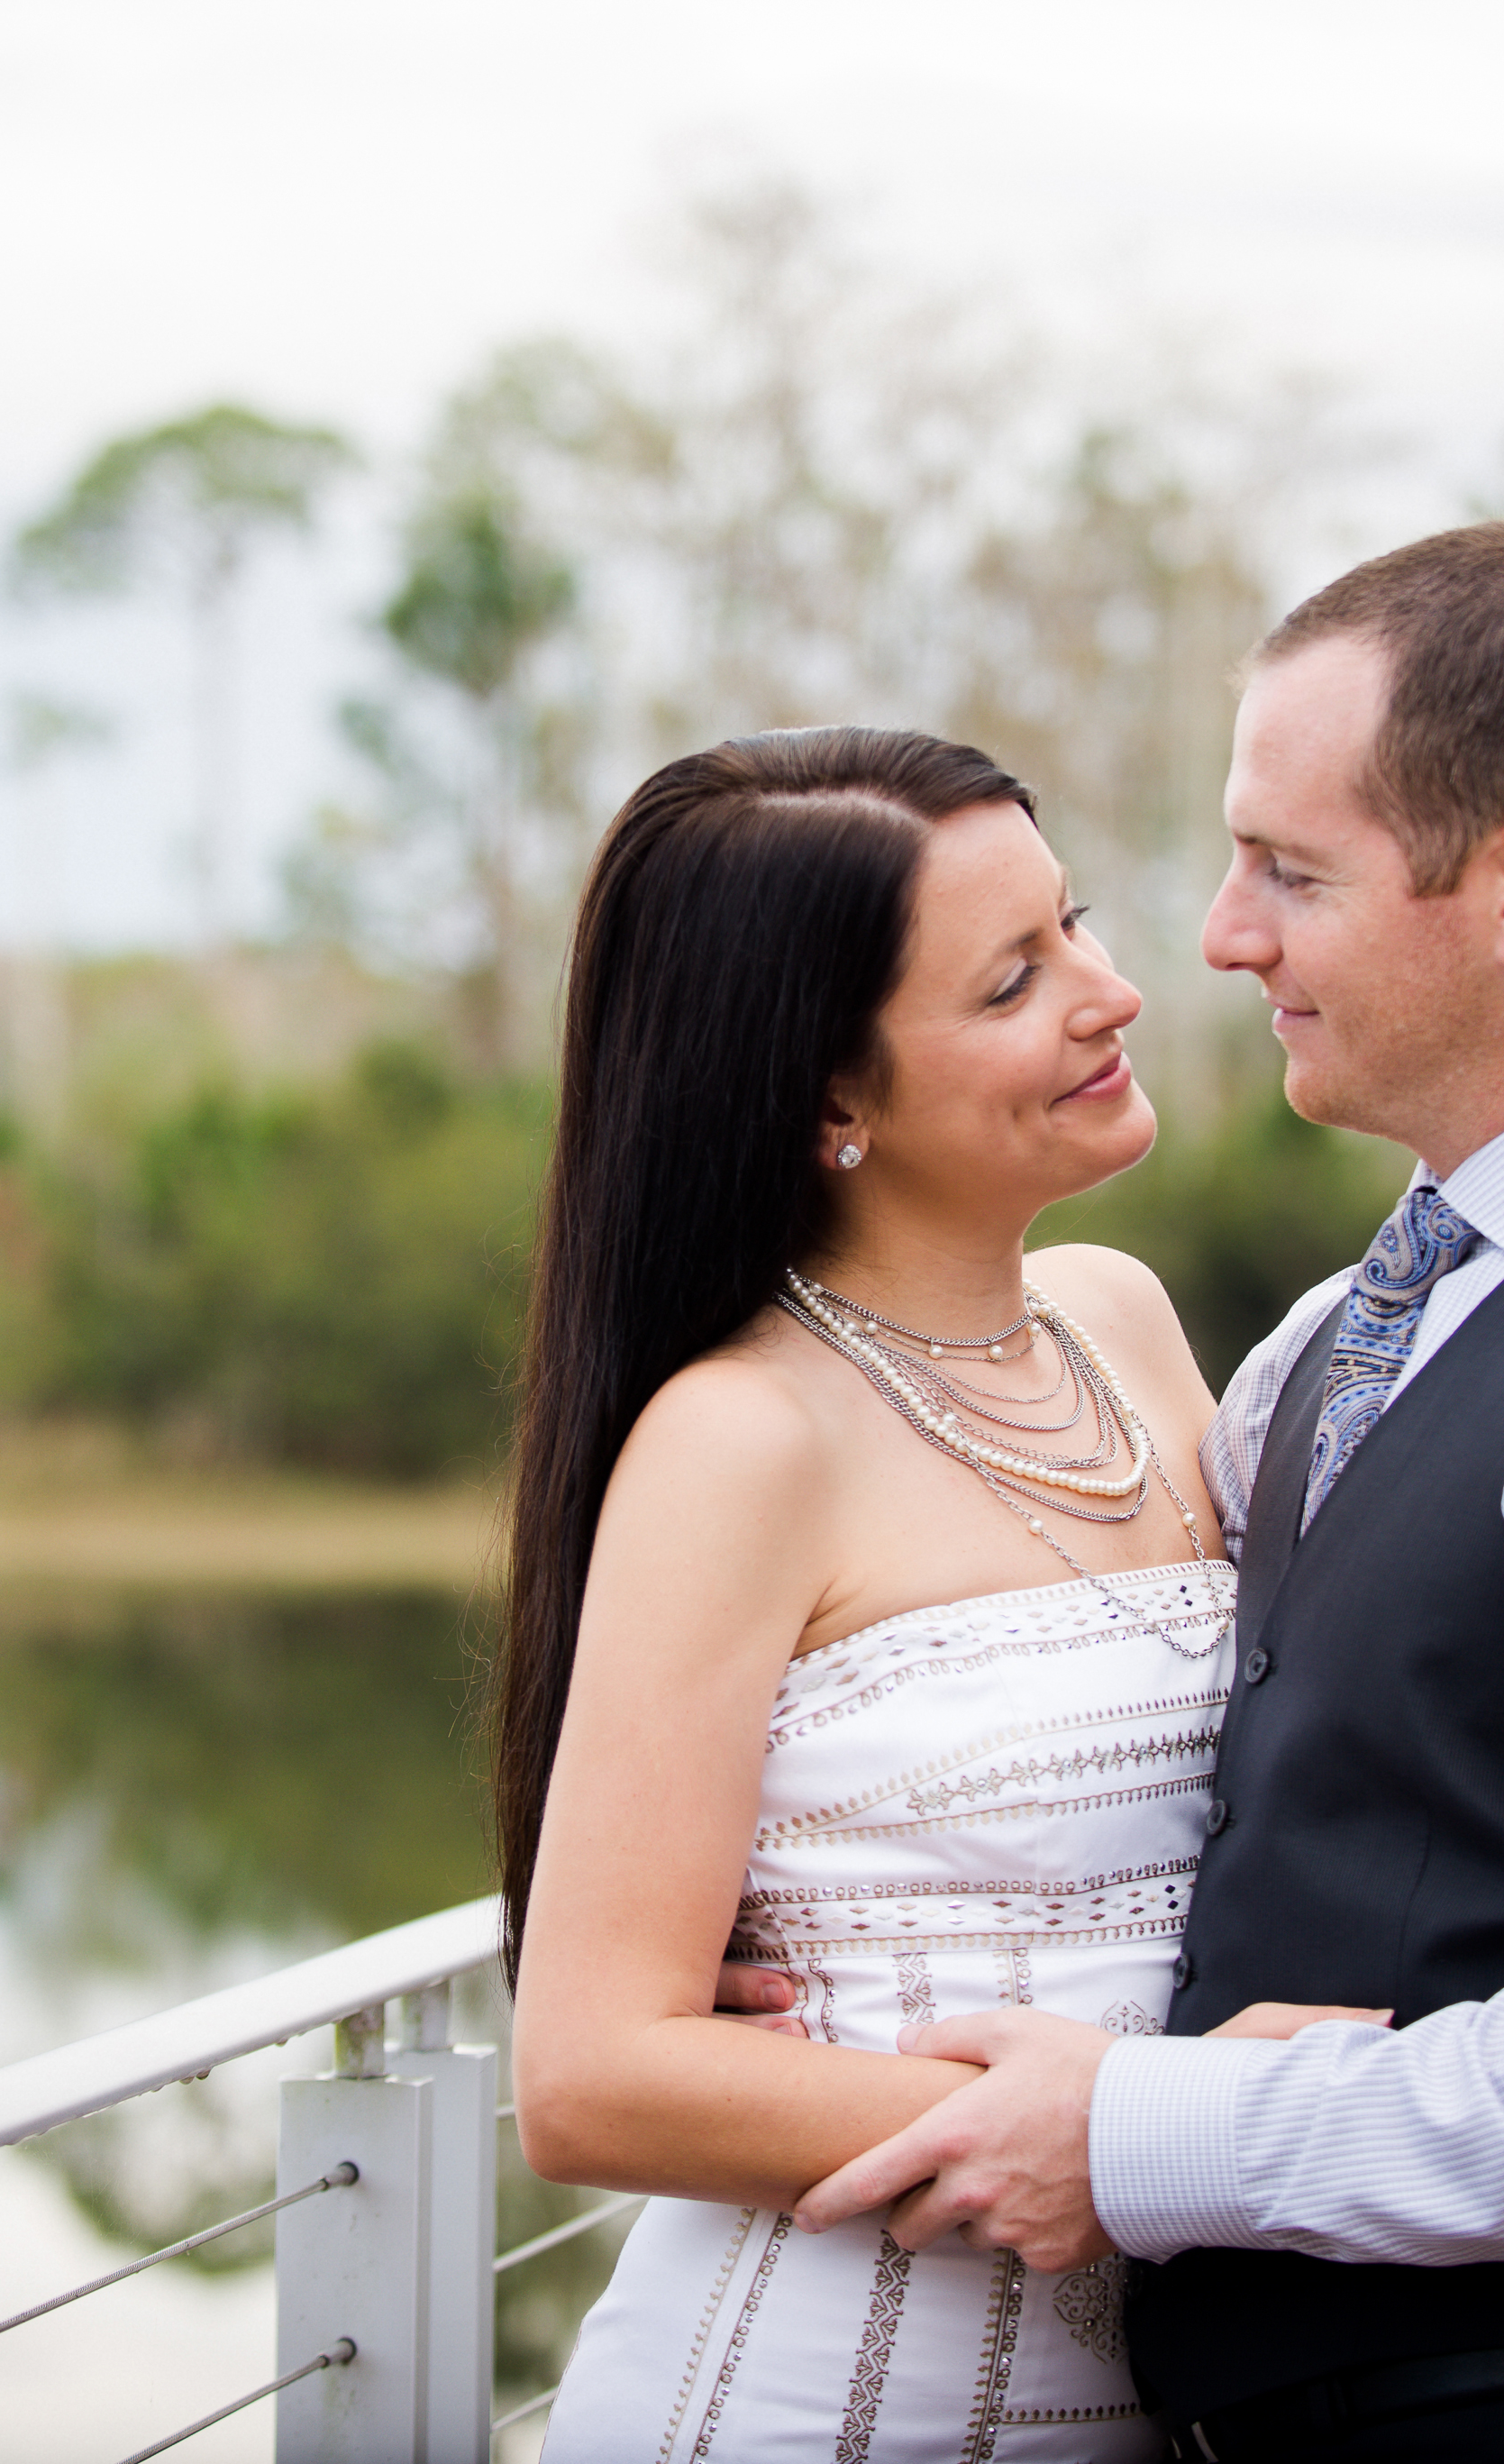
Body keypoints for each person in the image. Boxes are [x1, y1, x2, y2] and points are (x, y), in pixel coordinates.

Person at [791, 520, 1504, 2461]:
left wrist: (1138, 2130)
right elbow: (1162, 1703)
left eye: (1287, 870)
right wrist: (834, 1931)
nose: (1219, 935)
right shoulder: (1352, 1326)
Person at [506, 726, 1344, 2455]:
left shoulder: (1121, 1319)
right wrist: (1130, 2134)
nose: (1112, 991)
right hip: (817, 2404)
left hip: (1162, 2401)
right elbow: (587, 2072)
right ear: (831, 1098)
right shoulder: (737, 1439)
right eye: (1013, 980)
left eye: (1078, 923)